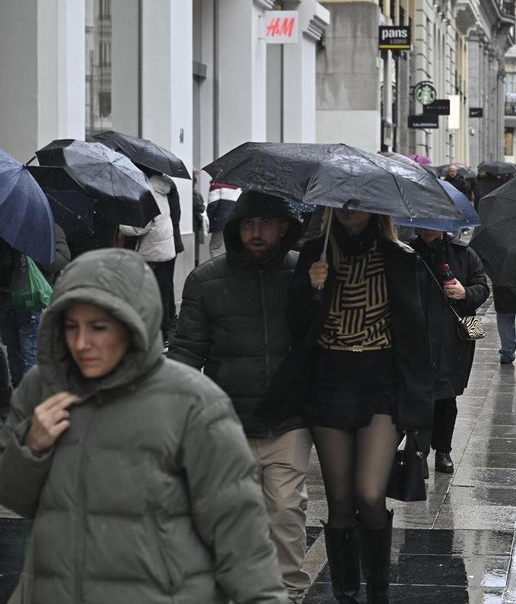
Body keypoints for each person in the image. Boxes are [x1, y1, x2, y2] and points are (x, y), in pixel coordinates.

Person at [0, 249, 286, 602]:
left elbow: (239, 535)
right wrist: (32, 445)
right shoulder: (42, 388)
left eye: (98, 328)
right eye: (71, 327)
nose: (81, 343)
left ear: (134, 324)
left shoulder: (193, 404)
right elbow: (15, 498)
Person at [258, 208, 433, 604]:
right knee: (339, 501)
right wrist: (311, 289)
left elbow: (416, 333)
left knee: (370, 495)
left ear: (375, 208)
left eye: (359, 200)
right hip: (328, 381)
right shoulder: (314, 254)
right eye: (343, 200)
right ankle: (346, 594)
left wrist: (421, 407)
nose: (351, 207)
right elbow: (298, 327)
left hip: (381, 383)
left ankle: (379, 591)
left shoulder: (400, 257)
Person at [168, 192, 312, 602]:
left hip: (287, 417)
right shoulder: (206, 280)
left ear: (283, 227)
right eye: (248, 223)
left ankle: (287, 590)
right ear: (234, 228)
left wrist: (319, 290)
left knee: (285, 507)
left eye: (266, 223)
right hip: (228, 418)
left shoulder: (303, 272)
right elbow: (187, 348)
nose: (256, 232)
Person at [410, 229, 490, 474]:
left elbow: (482, 287)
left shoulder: (462, 253)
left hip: (453, 337)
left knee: (446, 395)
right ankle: (418, 451)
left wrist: (465, 292)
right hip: (418, 334)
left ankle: (442, 450)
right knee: (420, 395)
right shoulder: (407, 252)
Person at [0, 228, 71, 400]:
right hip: (5, 298)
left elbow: (61, 259)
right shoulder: (5, 227)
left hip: (29, 298)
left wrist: (31, 252)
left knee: (29, 349)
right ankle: (19, 393)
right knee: (13, 349)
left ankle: (31, 397)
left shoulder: (48, 227)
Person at [120, 171, 182, 342]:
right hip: (165, 250)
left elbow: (141, 227)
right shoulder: (163, 190)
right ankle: (162, 334)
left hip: (151, 253)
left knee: (149, 295)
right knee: (162, 293)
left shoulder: (149, 193)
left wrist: (121, 225)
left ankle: (155, 335)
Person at [208, 181, 242, 258]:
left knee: (215, 248)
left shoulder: (216, 186)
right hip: (234, 222)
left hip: (220, 221)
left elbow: (212, 205)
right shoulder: (238, 188)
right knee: (231, 247)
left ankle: (218, 269)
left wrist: (211, 223)